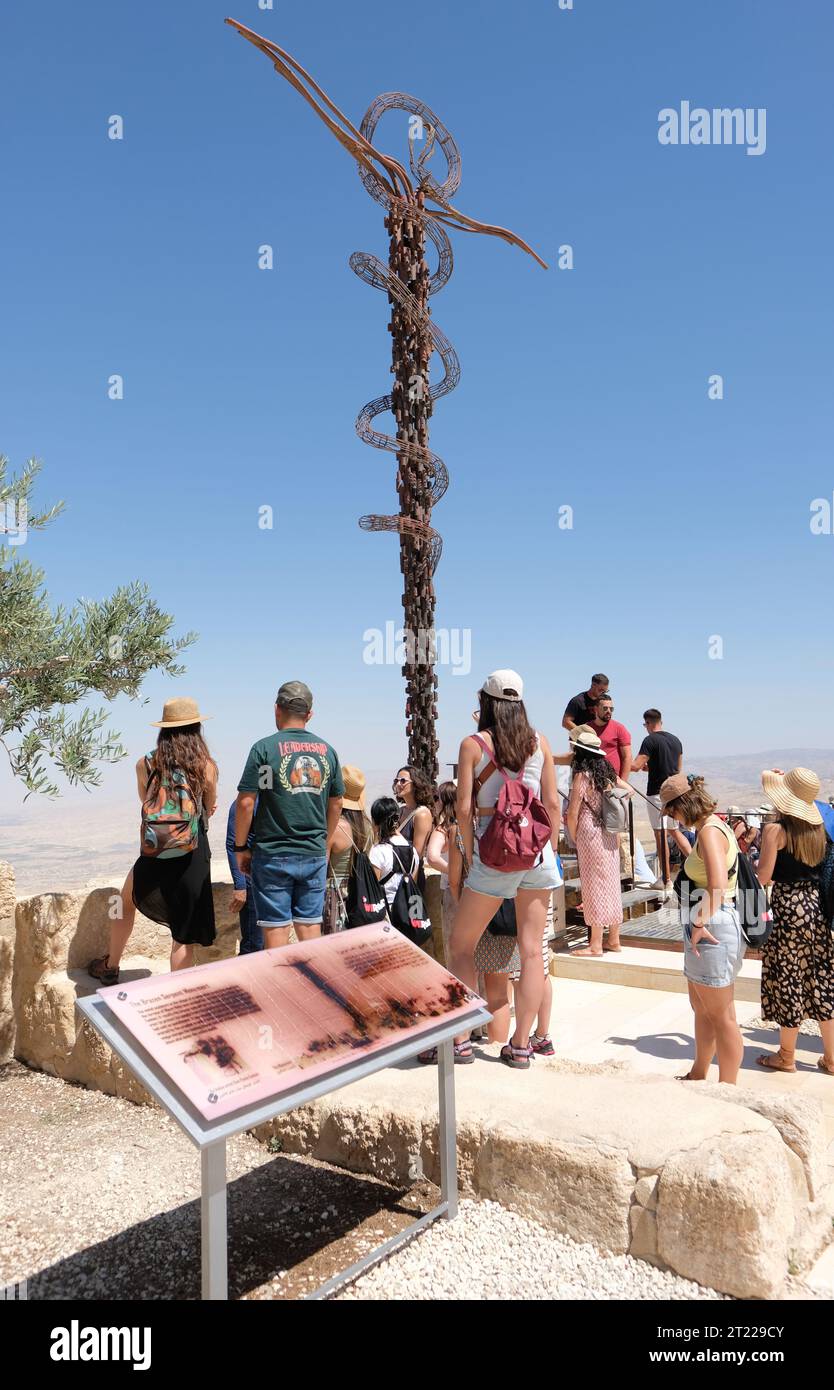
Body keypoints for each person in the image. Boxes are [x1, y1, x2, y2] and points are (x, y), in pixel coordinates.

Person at [447, 669, 562, 1070]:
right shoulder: (541, 743)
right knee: (533, 952)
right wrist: (549, 848)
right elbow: (551, 802)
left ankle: (460, 1041)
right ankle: (521, 1045)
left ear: (486, 702)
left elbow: (463, 808)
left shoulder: (473, 744)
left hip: (493, 851)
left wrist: (469, 847)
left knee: (461, 946)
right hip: (537, 853)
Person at [88, 697, 218, 983]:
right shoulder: (205, 766)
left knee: (124, 902)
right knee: (182, 935)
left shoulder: (144, 764)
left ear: (163, 730)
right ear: (196, 729)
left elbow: (145, 803)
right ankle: (178, 992)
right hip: (192, 854)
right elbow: (209, 807)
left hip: (154, 852)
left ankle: (110, 965)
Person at [234, 681, 344, 948]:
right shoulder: (327, 752)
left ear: (276, 710)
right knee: (310, 931)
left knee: (276, 934)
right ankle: (314, 987)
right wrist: (324, 843)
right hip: (313, 854)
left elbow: (247, 802)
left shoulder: (264, 749)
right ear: (309, 714)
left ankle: (279, 990)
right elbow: (336, 803)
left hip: (273, 854)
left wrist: (240, 848)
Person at [660, 772, 745, 1085]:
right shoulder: (711, 828)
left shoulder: (709, 832)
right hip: (707, 921)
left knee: (722, 1017)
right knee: (702, 1008)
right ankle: (698, 1073)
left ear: (685, 804)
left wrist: (698, 922)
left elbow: (719, 885)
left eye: (672, 811)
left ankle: (729, 1087)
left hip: (711, 924)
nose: (673, 818)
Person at [754, 768, 834, 1076]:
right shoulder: (819, 831)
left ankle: (786, 1056)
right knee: (820, 981)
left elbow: (764, 876)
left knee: (789, 978)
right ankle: (830, 1058)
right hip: (816, 908)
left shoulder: (776, 831)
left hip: (788, 907)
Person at [566, 729, 626, 956]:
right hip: (610, 831)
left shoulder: (582, 776)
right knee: (611, 883)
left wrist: (573, 836)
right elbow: (627, 791)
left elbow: (572, 813)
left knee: (593, 886)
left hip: (590, 831)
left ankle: (595, 944)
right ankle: (614, 939)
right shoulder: (608, 775)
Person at [631, 709, 683, 890]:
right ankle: (699, 868)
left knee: (660, 835)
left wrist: (617, 758)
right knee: (675, 832)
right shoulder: (676, 740)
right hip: (675, 792)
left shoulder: (650, 740)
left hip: (657, 793)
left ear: (648, 723)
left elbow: (636, 765)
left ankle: (666, 880)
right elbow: (677, 769)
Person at [326, 765, 373, 929]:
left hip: (334, 896)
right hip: (359, 893)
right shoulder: (367, 827)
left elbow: (321, 866)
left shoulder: (334, 827)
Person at [368, 796, 422, 913]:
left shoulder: (378, 851)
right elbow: (413, 884)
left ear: (375, 822)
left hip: (387, 914)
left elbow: (373, 891)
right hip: (407, 914)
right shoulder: (413, 851)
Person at [226, 797, 262, 954]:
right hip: (252, 880)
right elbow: (232, 844)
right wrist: (240, 885)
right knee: (253, 943)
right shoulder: (243, 803)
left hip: (273, 879)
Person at [393, 765, 434, 860]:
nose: (398, 784)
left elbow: (417, 854)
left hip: (411, 873)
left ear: (415, 784)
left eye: (403, 781)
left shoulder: (422, 814)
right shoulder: (400, 811)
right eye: (396, 781)